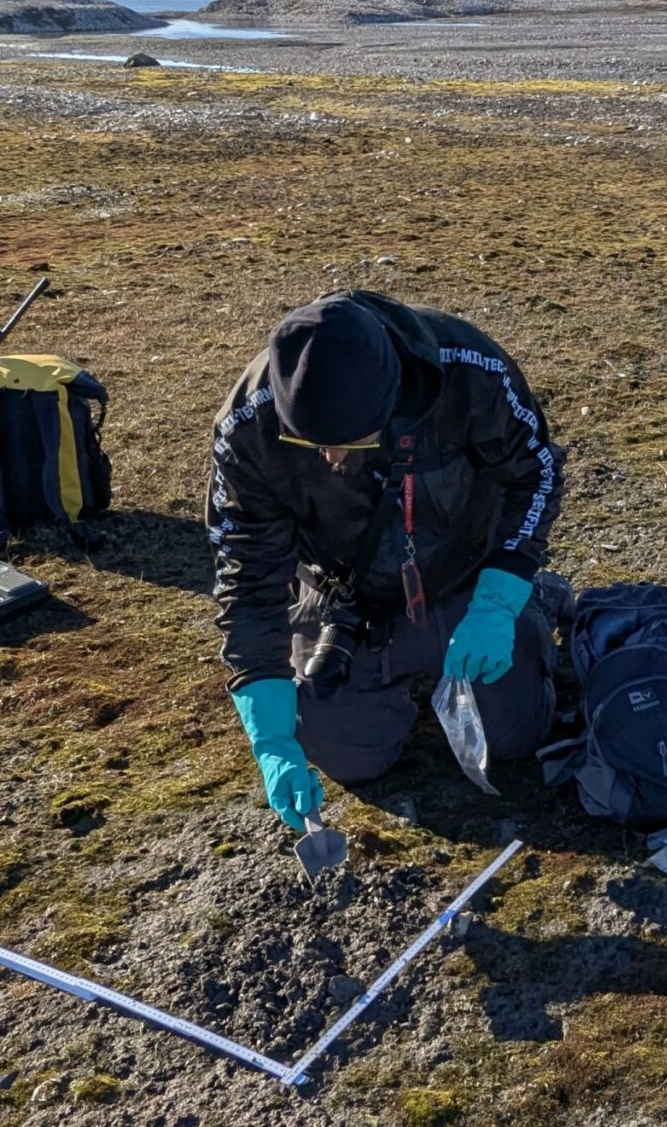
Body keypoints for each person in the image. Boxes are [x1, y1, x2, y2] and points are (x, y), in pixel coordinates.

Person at [209, 291, 565, 827]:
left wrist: (499, 597)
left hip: (464, 574)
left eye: (348, 444)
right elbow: (246, 574)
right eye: (309, 444)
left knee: (516, 736)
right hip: (344, 591)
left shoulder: (467, 370)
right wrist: (271, 736)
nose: (330, 459)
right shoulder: (248, 425)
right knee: (350, 757)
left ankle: (534, 600)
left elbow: (535, 475)